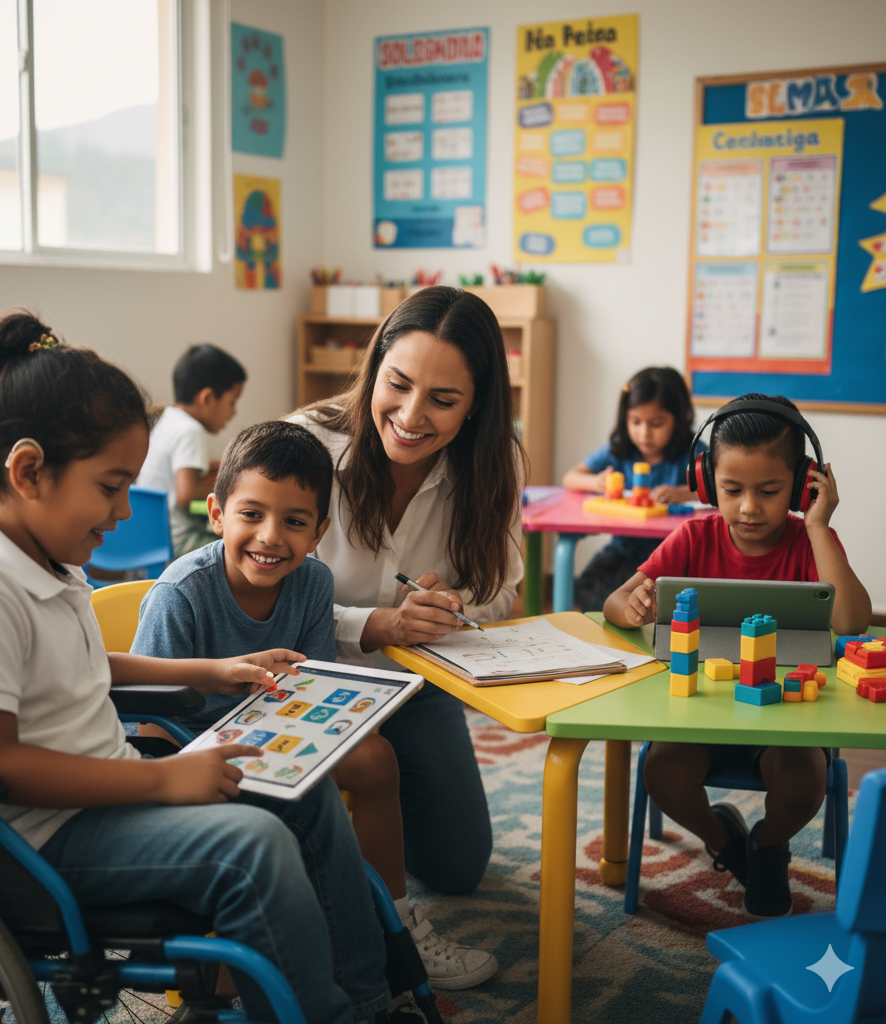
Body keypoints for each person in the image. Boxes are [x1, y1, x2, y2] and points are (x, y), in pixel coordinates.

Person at [0, 312, 390, 1024]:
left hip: (98, 797)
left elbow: (75, 664)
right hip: (32, 842)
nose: (128, 509)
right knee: (252, 847)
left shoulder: (38, 560)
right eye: (111, 486)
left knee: (301, 791)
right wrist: (161, 776)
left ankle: (367, 997)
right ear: (29, 470)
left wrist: (208, 670)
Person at [132, 420, 498, 991]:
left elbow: (315, 689)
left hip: (279, 740)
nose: (271, 537)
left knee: (375, 758)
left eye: (295, 522)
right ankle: (274, 940)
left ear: (319, 531)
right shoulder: (180, 595)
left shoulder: (310, 584)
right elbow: (148, 732)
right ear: (216, 513)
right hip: (193, 757)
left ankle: (394, 921)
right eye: (251, 514)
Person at [290, 285, 525, 898]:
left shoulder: (495, 463)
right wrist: (377, 624)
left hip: (416, 687)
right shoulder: (307, 447)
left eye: (443, 400)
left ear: (475, 406)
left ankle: (369, 823)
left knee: (456, 869)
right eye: (396, 384)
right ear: (373, 372)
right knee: (303, 846)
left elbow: (502, 589)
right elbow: (269, 591)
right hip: (309, 673)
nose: (412, 415)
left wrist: (451, 607)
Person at [604, 394, 871, 920]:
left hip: (785, 721)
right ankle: (725, 841)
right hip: (696, 715)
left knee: (804, 783)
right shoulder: (692, 536)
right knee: (662, 774)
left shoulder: (809, 542)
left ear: (801, 485)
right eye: (732, 490)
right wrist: (630, 606)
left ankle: (768, 846)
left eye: (770, 491)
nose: (749, 507)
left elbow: (852, 623)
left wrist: (819, 525)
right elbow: (615, 601)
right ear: (706, 482)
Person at [562, 366, 703, 611]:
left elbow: (724, 488)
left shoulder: (692, 452)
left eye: (657, 423)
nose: (644, 433)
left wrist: (685, 492)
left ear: (678, 419)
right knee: (585, 590)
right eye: (635, 422)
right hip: (625, 550)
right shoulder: (621, 449)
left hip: (674, 555)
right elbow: (571, 478)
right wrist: (598, 483)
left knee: (671, 606)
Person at [138, 343, 246, 557]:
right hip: (180, 543)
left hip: (150, 541)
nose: (233, 412)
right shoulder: (191, 431)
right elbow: (185, 495)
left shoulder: (166, 420)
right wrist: (231, 489)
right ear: (207, 398)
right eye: (232, 402)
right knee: (243, 546)